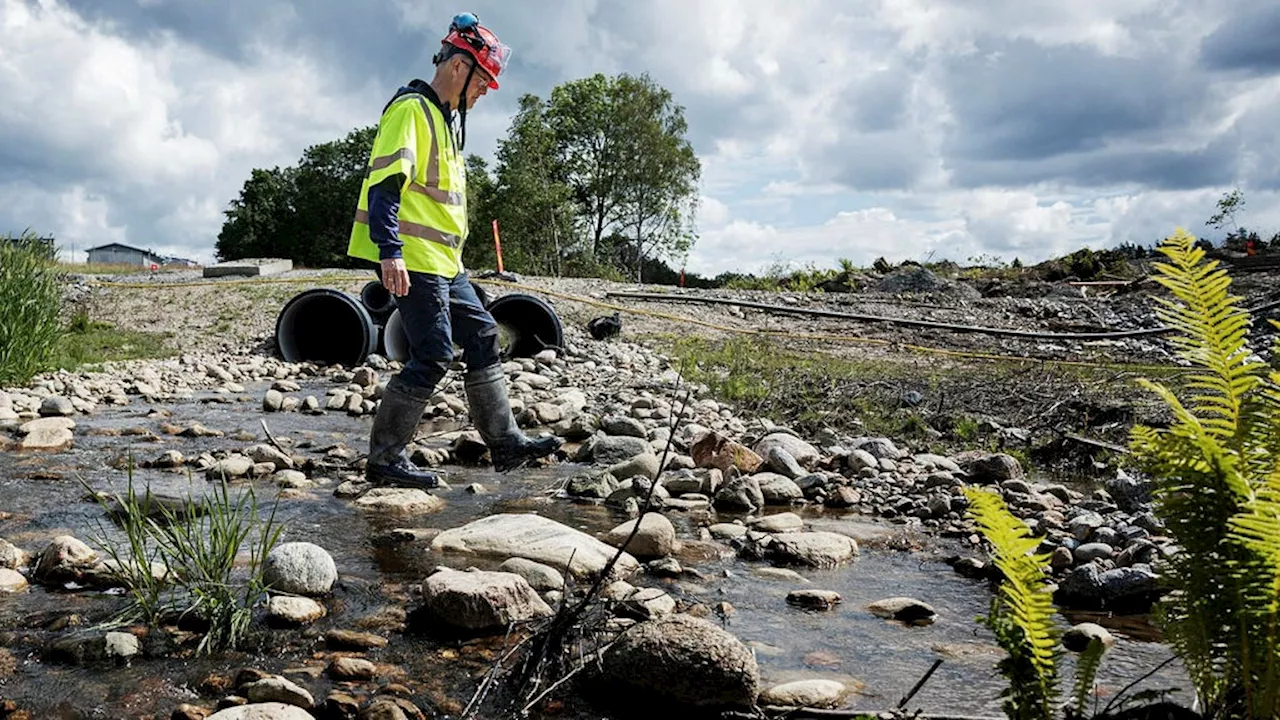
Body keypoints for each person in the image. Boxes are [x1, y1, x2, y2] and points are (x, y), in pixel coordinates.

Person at [346, 12, 561, 489]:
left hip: (446, 264)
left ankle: (505, 443)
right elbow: (386, 186)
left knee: (484, 336)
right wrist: (389, 252)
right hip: (414, 260)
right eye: (483, 82)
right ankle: (384, 460)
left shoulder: (443, 121)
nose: (485, 93)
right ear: (460, 68)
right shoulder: (411, 111)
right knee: (433, 354)